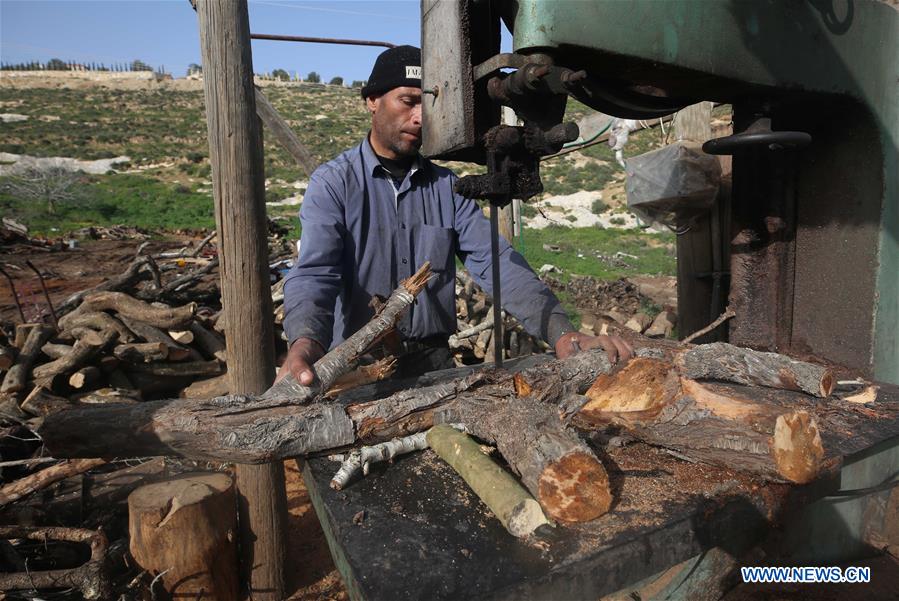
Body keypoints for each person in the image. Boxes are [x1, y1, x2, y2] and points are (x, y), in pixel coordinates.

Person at [278, 45, 632, 385]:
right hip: (355, 366)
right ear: (372, 101)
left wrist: (563, 334)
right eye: (408, 101)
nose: (419, 117)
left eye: (427, 103)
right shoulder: (334, 184)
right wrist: (305, 344)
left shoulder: (448, 187)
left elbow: (497, 262)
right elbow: (315, 272)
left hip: (432, 363)